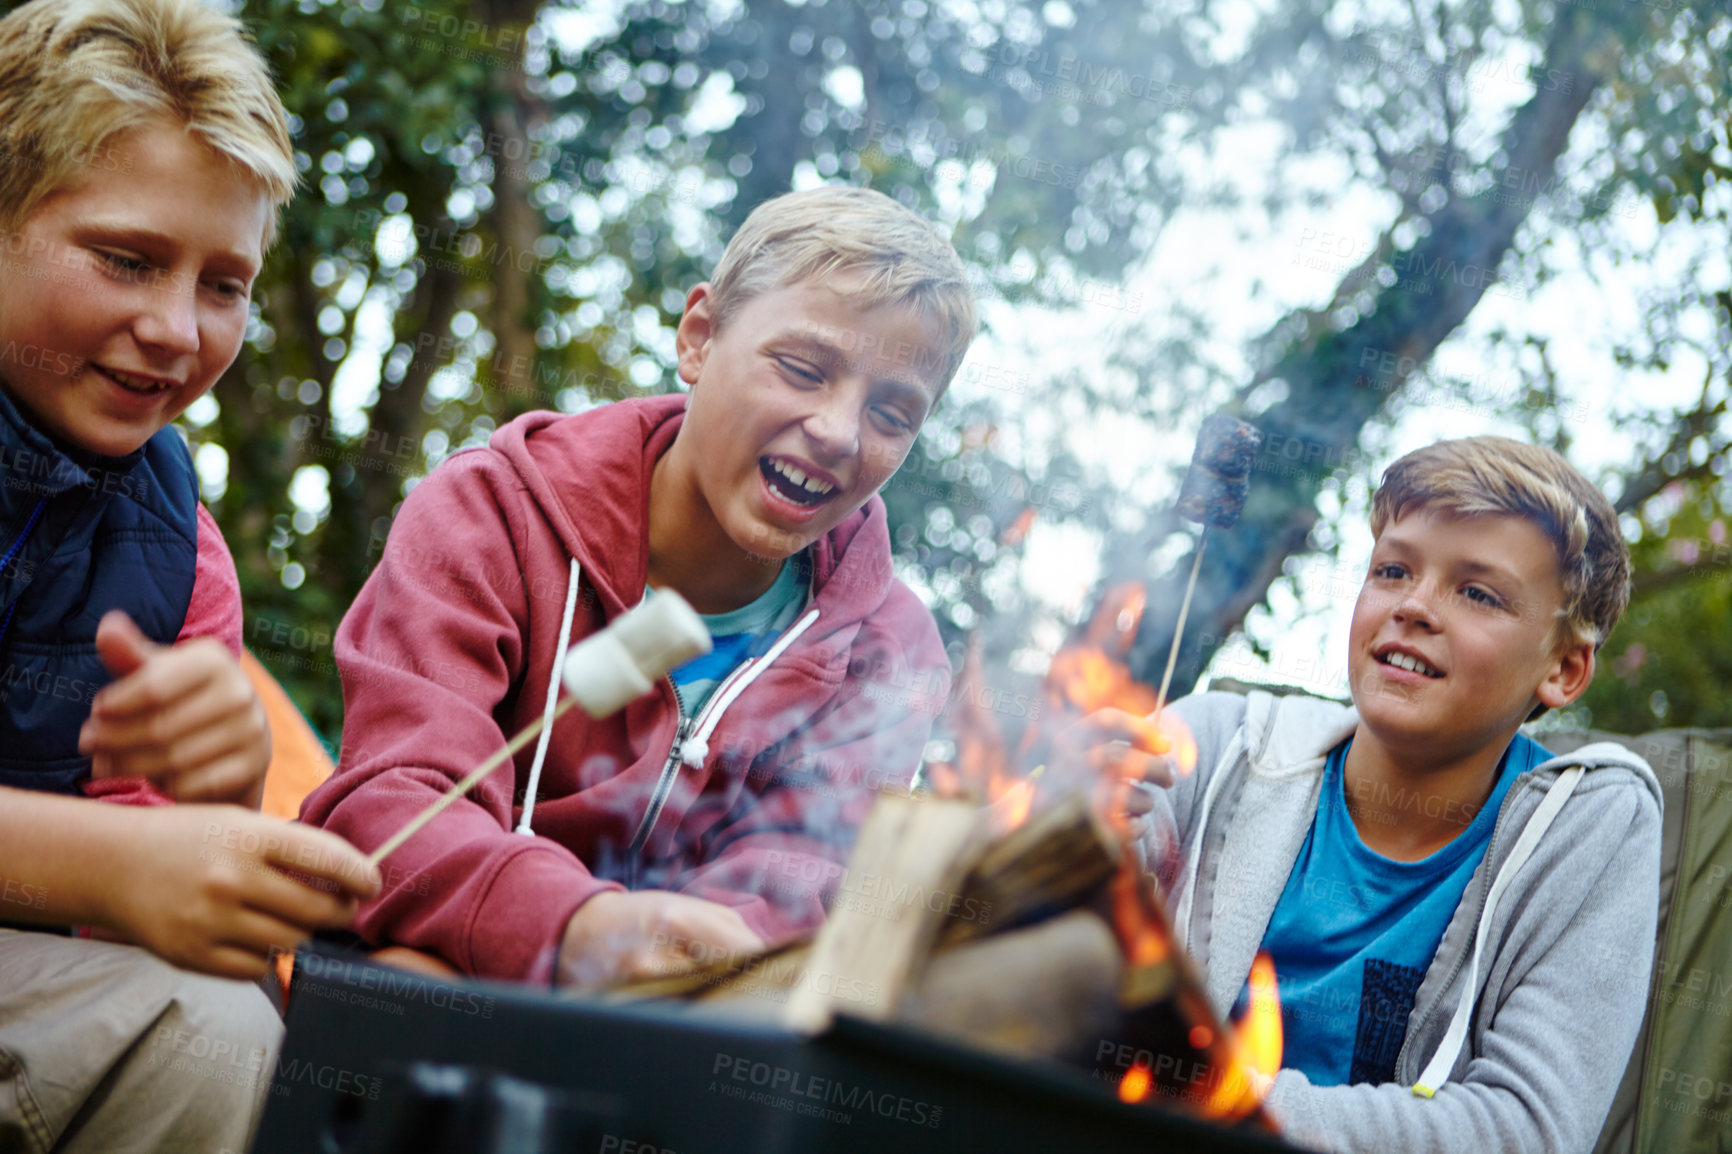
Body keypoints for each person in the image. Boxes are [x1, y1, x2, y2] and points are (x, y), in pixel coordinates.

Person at [302, 185, 975, 987]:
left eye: (893, 415)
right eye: (801, 369)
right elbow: (393, 799)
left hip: (678, 1036)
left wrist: (670, 965)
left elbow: (797, 886)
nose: (838, 431)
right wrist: (574, 927)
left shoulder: (887, 652)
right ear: (699, 337)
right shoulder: (491, 514)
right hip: (438, 982)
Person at [0, 1, 380, 1150]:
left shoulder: (178, 549)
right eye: (126, 258)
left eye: (225, 284)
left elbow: (145, 902)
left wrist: (221, 790)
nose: (176, 328)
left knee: (214, 1024)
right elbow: (117, 871)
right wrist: (116, 864)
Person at [1087, 436, 1659, 1152]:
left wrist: (1196, 1094)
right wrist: (1070, 836)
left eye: (1477, 592)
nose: (1415, 605)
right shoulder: (1213, 743)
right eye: (1392, 570)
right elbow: (1023, 968)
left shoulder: (1588, 826)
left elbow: (1525, 1132)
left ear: (1565, 670)